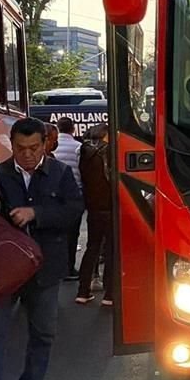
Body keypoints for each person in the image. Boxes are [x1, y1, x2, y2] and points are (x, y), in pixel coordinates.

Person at [0, 117, 83, 380]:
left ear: (46, 144)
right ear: (12, 145)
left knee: (43, 334)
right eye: (21, 149)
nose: (28, 155)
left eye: (35, 148)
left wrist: (37, 213)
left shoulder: (59, 174)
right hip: (5, 272)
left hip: (45, 270)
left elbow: (75, 210)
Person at [75, 123, 113, 306]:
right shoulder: (107, 153)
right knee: (112, 250)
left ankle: (83, 290)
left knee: (92, 248)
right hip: (110, 207)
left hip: (93, 208)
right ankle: (110, 294)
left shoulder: (85, 153)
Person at [54, 117, 83, 280]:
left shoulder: (53, 146)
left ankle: (56, 267)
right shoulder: (78, 147)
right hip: (74, 195)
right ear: (73, 129)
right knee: (73, 234)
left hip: (54, 195)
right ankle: (69, 268)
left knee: (57, 233)